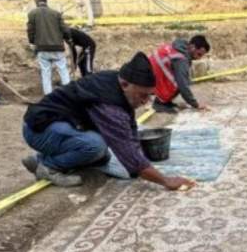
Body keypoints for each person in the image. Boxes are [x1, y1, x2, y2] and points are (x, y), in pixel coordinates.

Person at [20, 52, 196, 191]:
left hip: (59, 124)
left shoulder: (117, 83)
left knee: (101, 156)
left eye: (149, 96)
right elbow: (129, 154)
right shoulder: (109, 105)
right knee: (95, 146)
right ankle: (48, 167)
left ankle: (40, 159)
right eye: (142, 95)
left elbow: (129, 128)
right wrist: (165, 180)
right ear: (125, 84)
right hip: (39, 129)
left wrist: (138, 151)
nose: (145, 102)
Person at [148, 35, 211, 114]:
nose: (199, 58)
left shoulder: (178, 47)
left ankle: (165, 101)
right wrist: (196, 104)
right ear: (192, 47)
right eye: (199, 54)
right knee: (180, 82)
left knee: (181, 78)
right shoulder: (181, 59)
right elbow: (183, 85)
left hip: (149, 73)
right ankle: (160, 103)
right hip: (149, 78)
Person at [27, 0, 73, 94]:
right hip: (57, 48)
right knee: (63, 72)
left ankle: (48, 97)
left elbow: (30, 31)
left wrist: (33, 42)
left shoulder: (32, 14)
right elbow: (65, 30)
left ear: (36, 0)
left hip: (42, 48)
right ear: (45, 0)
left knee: (46, 74)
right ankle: (69, 96)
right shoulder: (56, 13)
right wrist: (69, 39)